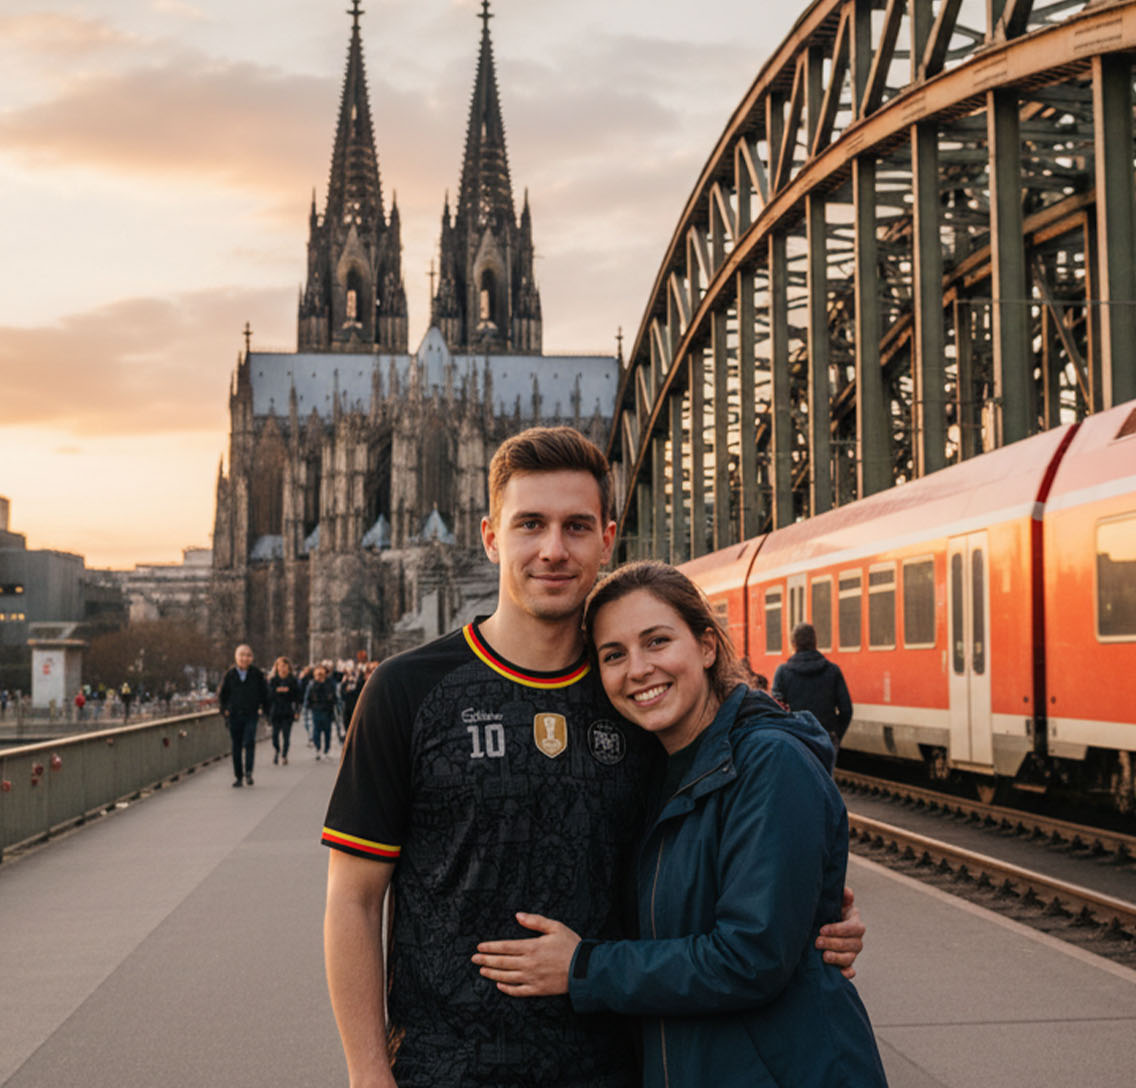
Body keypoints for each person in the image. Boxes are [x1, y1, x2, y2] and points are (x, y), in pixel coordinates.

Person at [321, 426, 865, 1088]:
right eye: (531, 525)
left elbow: (719, 848)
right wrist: (366, 1074)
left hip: (619, 1068)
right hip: (446, 1070)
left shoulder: (636, 701)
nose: (553, 549)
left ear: (607, 538)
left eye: (576, 527)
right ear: (492, 537)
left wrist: (811, 911)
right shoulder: (405, 691)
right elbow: (352, 902)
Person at [472, 562, 887, 1086]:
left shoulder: (769, 762)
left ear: (707, 646)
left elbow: (749, 957)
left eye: (658, 641)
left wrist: (582, 968)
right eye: (614, 655)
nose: (639, 669)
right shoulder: (653, 772)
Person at [773, 623, 854, 754]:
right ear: (815, 642)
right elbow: (846, 710)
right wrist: (835, 735)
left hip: (795, 739)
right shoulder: (833, 671)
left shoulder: (782, 672)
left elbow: (776, 709)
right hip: (825, 737)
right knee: (824, 774)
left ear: (793, 644)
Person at [217, 643, 269, 787]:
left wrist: (264, 711)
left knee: (249, 742)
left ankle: (249, 772)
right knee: (236, 746)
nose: (245, 658)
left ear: (251, 658)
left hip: (251, 713)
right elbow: (222, 695)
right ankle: (238, 776)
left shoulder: (257, 674)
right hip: (234, 714)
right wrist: (224, 710)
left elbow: (265, 694)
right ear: (236, 657)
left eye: (248, 655)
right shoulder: (230, 674)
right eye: (242, 655)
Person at [267, 656, 302, 765]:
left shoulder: (292, 680)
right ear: (277, 667)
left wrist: (297, 711)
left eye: (285, 666)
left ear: (288, 668)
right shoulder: (273, 680)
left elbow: (297, 697)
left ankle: (284, 755)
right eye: (280, 666)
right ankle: (277, 750)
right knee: (275, 736)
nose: (283, 668)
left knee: (286, 735)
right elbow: (268, 696)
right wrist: (277, 691)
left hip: (287, 711)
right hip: (276, 711)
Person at [303, 664, 339, 760]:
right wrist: (307, 708)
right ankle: (318, 748)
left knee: (327, 732)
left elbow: (335, 697)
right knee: (316, 731)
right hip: (316, 710)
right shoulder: (311, 684)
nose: (319, 672)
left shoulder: (330, 683)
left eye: (321, 670)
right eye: (317, 670)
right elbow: (307, 698)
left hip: (327, 711)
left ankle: (326, 750)